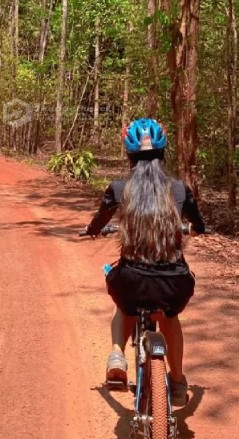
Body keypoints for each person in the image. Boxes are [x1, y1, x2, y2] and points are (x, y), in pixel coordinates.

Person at [84, 118, 206, 406]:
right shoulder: (179, 189)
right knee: (170, 318)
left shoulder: (118, 189)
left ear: (128, 154)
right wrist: (196, 229)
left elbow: (99, 221)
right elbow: (198, 224)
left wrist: (92, 230)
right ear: (163, 153)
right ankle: (178, 382)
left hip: (132, 281)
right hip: (174, 282)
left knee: (123, 302)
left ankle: (117, 354)